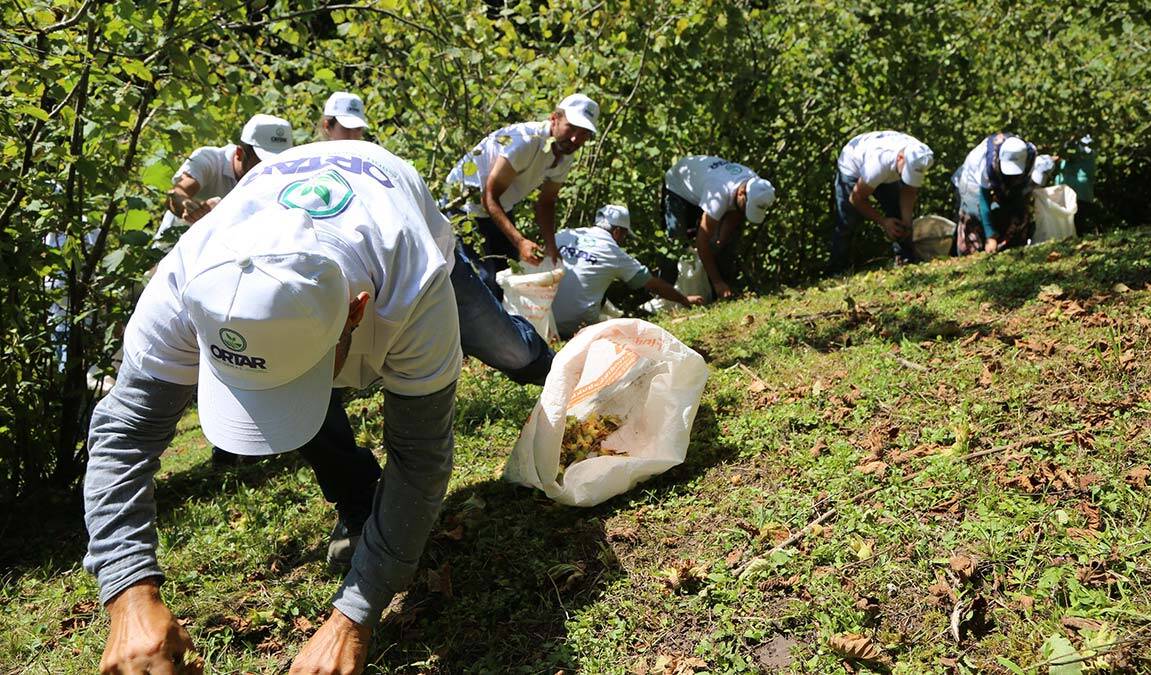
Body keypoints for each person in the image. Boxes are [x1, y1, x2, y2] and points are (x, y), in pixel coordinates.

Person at [85, 140, 461, 674]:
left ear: (355, 313)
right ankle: (358, 499)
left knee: (508, 348)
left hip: (396, 200)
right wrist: (128, 591)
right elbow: (124, 434)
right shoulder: (181, 285)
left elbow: (421, 458)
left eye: (298, 375)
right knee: (309, 422)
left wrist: (353, 619)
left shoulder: (413, 284)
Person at [444, 93, 599, 296]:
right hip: (465, 207)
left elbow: (547, 203)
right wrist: (520, 241)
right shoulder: (525, 141)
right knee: (482, 281)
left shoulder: (565, 154)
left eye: (584, 133)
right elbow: (488, 196)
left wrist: (552, 249)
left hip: (498, 207)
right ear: (555, 118)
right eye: (571, 128)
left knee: (509, 279)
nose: (575, 139)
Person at [553, 205, 705, 337]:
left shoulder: (563, 235)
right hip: (578, 326)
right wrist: (683, 299)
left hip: (548, 320)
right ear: (618, 231)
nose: (623, 240)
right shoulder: (613, 252)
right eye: (625, 235)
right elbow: (653, 284)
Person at [153, 114, 293, 248]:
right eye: (262, 161)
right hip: (171, 250)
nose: (270, 167)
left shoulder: (281, 176)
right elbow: (177, 194)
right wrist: (188, 207)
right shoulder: (209, 160)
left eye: (279, 161)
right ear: (240, 153)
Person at [660, 156, 776, 300]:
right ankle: (666, 294)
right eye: (747, 206)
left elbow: (736, 212)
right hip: (679, 183)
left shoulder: (756, 185)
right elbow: (701, 241)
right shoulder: (718, 194)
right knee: (676, 242)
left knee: (721, 244)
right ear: (741, 193)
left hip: (703, 183)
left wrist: (719, 241)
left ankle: (715, 293)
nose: (747, 211)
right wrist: (717, 282)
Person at [829, 130, 934, 273]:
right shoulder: (878, 164)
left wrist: (907, 222)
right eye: (906, 172)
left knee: (898, 212)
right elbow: (856, 198)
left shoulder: (920, 156)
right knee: (847, 222)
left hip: (884, 170)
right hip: (853, 164)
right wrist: (883, 222)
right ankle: (838, 270)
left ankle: (905, 261)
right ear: (900, 158)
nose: (907, 176)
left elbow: (909, 190)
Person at [951, 132, 1038, 256]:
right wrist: (990, 236)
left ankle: (1009, 247)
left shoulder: (1030, 155)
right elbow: (983, 200)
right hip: (971, 181)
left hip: (1004, 180)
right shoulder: (983, 161)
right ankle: (973, 251)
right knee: (973, 213)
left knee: (1015, 211)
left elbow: (1019, 193)